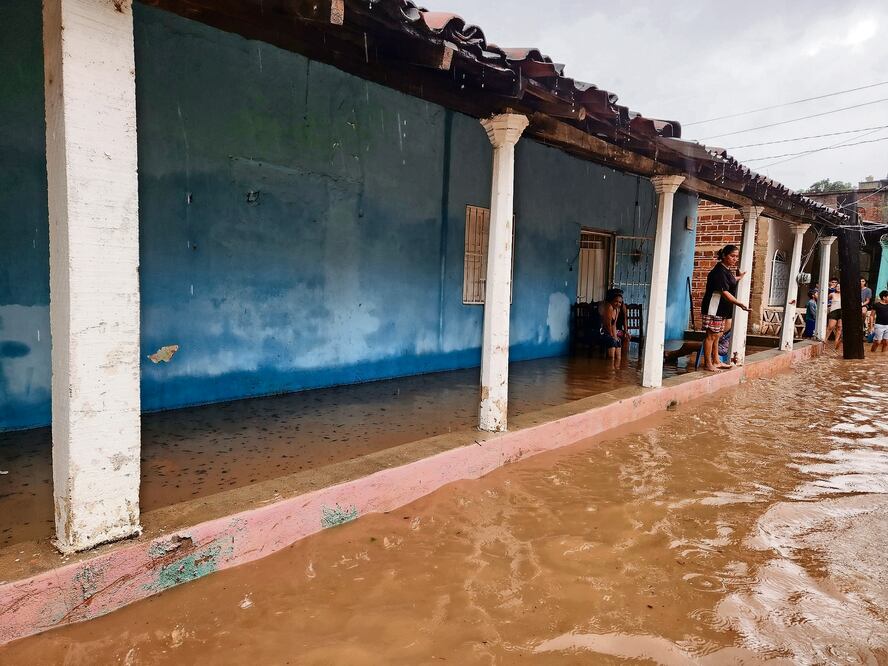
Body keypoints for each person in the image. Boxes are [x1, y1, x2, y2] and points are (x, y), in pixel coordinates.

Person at [701, 244, 749, 372]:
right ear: (723, 256)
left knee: (717, 336)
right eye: (732, 256)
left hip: (721, 309)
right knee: (711, 336)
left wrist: (740, 277)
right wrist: (740, 304)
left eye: (736, 257)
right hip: (713, 308)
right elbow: (725, 292)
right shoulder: (718, 272)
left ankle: (716, 361)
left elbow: (731, 280)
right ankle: (708, 364)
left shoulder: (726, 270)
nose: (735, 259)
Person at [595, 288, 625, 369]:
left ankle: (617, 367)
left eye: (620, 302)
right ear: (611, 300)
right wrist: (612, 336)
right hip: (600, 332)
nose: (618, 304)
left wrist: (615, 336)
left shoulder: (617, 310)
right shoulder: (609, 307)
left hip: (608, 332)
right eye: (616, 301)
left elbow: (614, 325)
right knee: (612, 341)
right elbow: (607, 325)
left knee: (618, 341)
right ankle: (610, 368)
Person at [825, 279, 842, 347]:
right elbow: (825, 300)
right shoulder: (832, 294)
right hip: (833, 311)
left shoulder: (844, 295)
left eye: (840, 287)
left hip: (841, 311)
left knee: (839, 327)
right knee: (830, 327)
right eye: (837, 286)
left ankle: (836, 342)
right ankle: (825, 340)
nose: (838, 288)